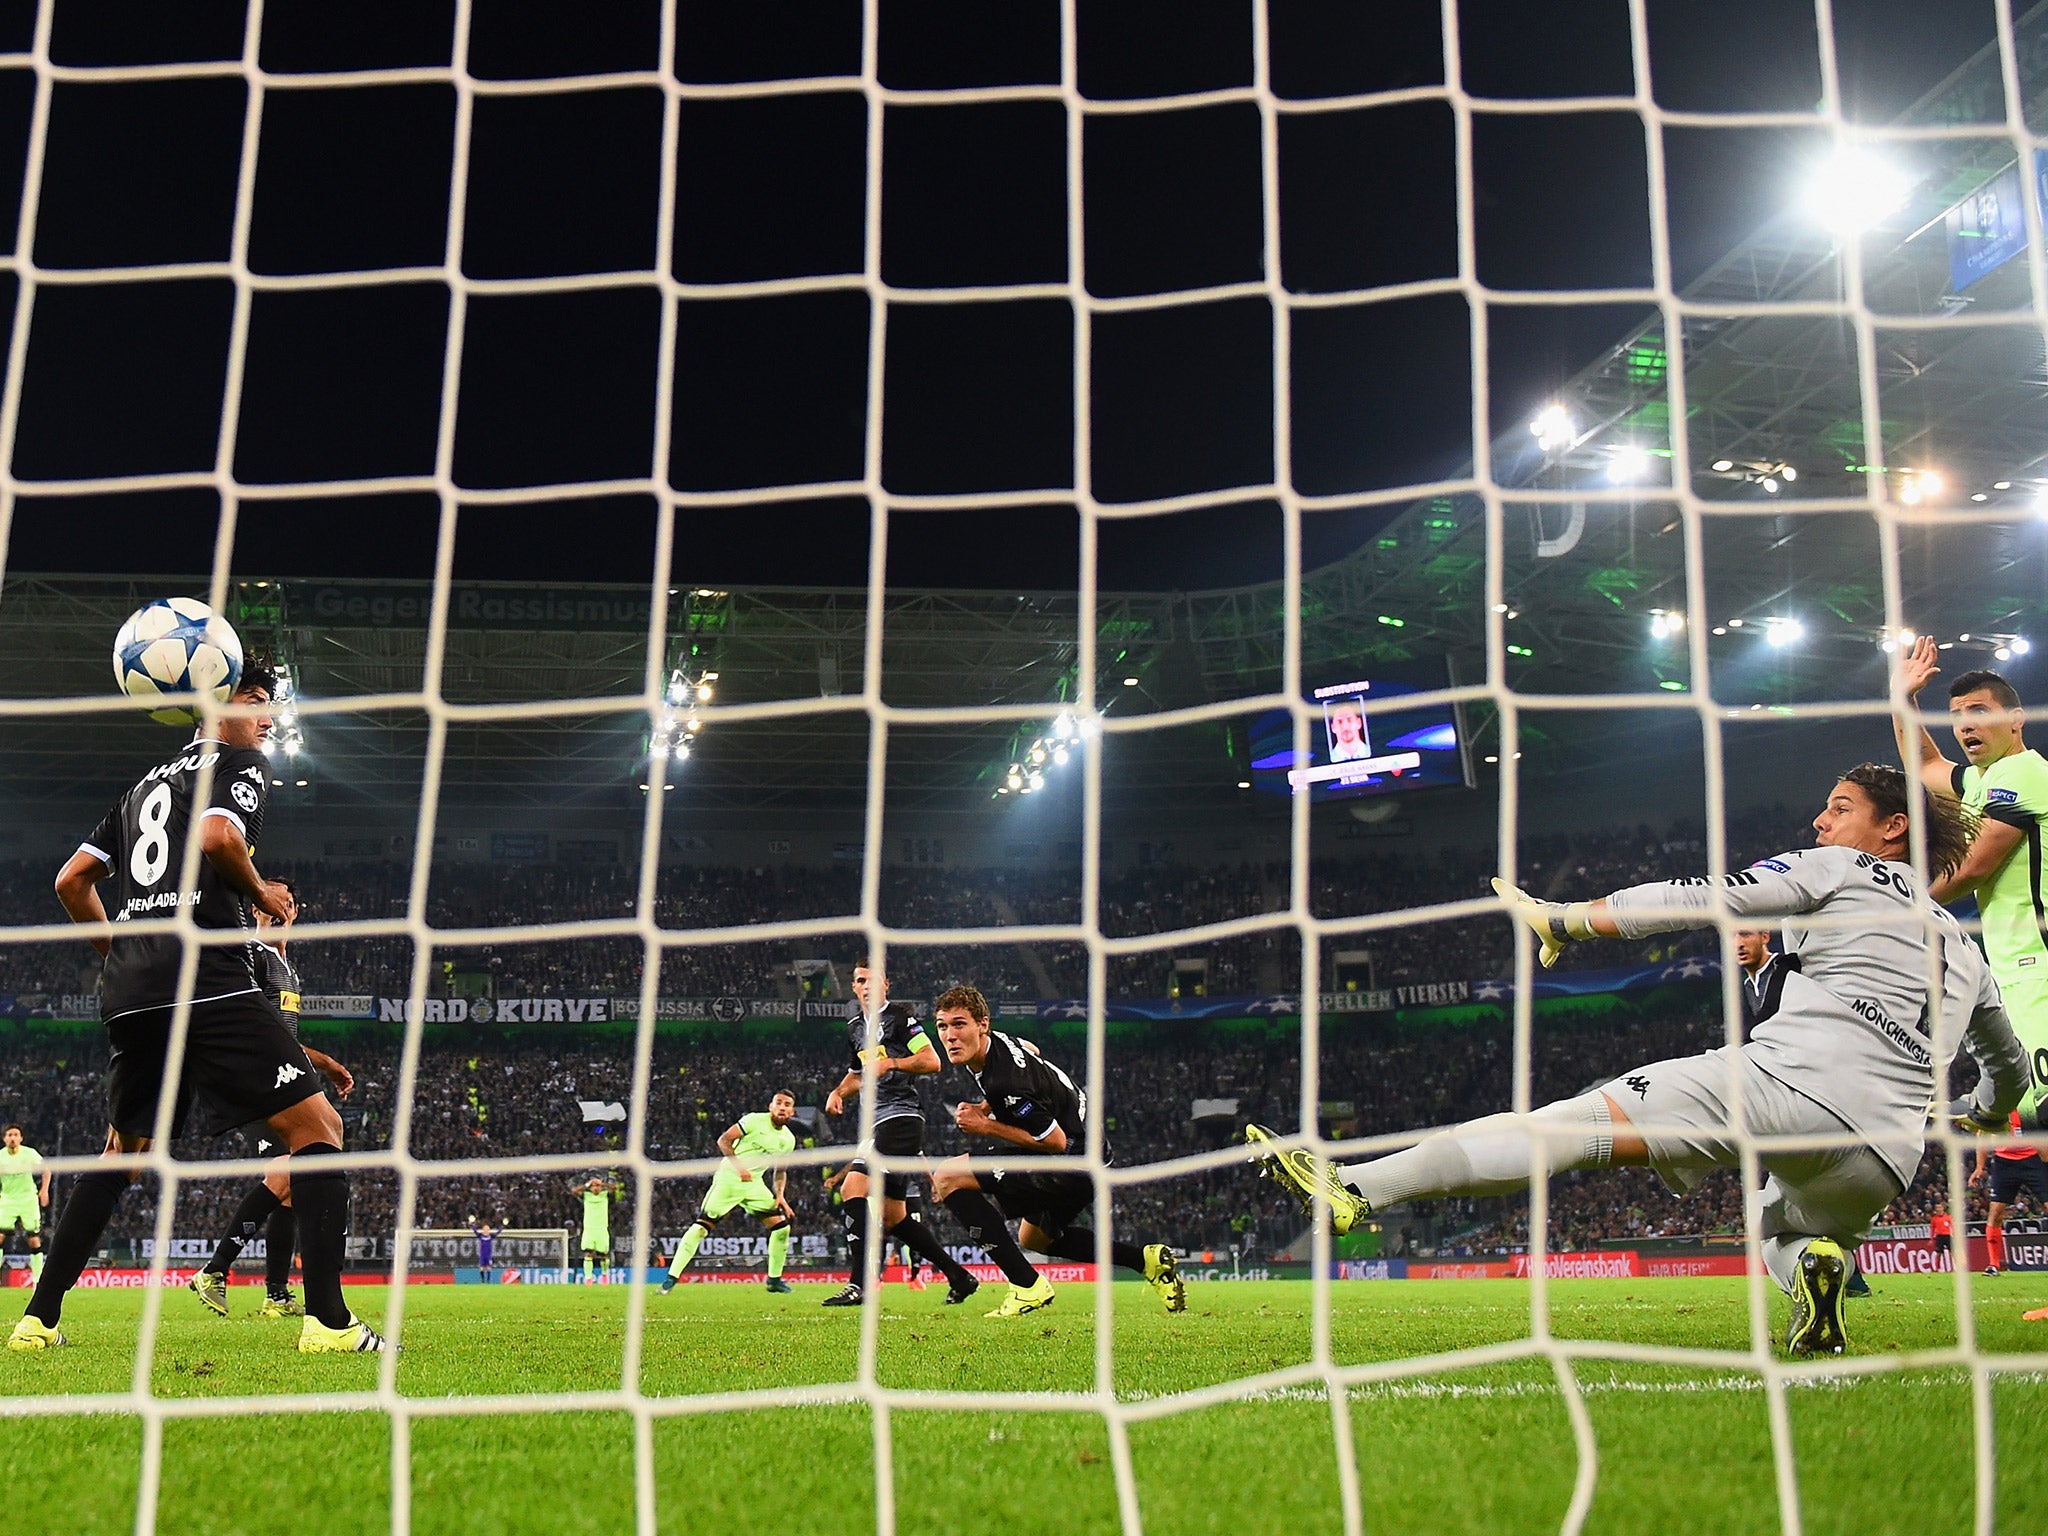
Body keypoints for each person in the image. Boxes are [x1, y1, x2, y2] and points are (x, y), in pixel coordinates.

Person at [1247, 765, 2027, 1357]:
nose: (1820, 821)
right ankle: (1817, 1275)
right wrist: (1981, 1114)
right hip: (1883, 1157)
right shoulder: (1966, 951)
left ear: (1893, 828)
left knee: (1565, 1127)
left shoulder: (1841, 870)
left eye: (1841, 807)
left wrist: (1567, 920)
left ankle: (1357, 1188)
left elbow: (1701, 897)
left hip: (1783, 1087)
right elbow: (2010, 1069)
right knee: (1780, 1230)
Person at [13, 663, 386, 1353]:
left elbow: (71, 882)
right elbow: (219, 838)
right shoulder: (239, 763)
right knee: (319, 1128)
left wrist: (126, 952)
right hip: (206, 974)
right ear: (217, 701)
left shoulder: (141, 789)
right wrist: (261, 893)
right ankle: (331, 1324)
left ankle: (37, 1322)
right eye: (257, 701)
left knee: (122, 1154)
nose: (267, 719)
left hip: (132, 989)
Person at [929, 985, 1186, 1319]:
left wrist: (985, 1124)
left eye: (959, 1024)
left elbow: (1055, 1141)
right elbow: (1031, 1049)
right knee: (1035, 1238)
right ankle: (1145, 1261)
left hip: (1072, 1162)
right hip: (1094, 1155)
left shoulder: (1006, 1082)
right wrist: (985, 1106)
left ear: (983, 1025)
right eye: (942, 1026)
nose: (950, 1035)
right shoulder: (998, 1046)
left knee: (947, 1176)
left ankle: (1026, 1286)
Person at [1895, 647, 2048, 1127]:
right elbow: (1924, 765)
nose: (1965, 726)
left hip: (2039, 963)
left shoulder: (2024, 774)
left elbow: (1973, 868)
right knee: (2032, 1109)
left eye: (1979, 712)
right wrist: (1902, 698)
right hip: (2016, 964)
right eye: (1957, 716)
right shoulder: (1986, 779)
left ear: (2016, 719)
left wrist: (1892, 902)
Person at [188, 880, 354, 1319]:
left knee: (291, 1190)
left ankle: (276, 1294)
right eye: (270, 900)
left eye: (288, 902)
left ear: (295, 912)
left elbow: (285, 1036)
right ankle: (215, 1269)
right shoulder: (253, 957)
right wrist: (323, 1063)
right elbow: (258, 1030)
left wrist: (323, 1064)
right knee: (288, 1171)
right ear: (256, 910)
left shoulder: (288, 969)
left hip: (279, 1072)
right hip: (257, 1075)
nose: (280, 908)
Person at [819, 960, 980, 1308]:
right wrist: (838, 1091)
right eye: (860, 980)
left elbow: (932, 1060)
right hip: (877, 1124)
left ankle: (858, 1284)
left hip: (901, 1119)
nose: (866, 986)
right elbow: (858, 1074)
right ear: (854, 987)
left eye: (873, 980)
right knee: (894, 1217)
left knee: (852, 1187)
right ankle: (959, 1277)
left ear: (886, 985)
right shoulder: (854, 1028)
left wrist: (892, 1063)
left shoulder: (901, 1019)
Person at [661, 1091, 798, 1294]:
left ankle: (774, 1280)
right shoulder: (753, 1120)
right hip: (729, 1178)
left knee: (781, 1228)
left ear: (792, 1111)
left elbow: (780, 1171)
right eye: (778, 1103)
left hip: (754, 1184)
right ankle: (671, 1278)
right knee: (701, 1228)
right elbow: (724, 1140)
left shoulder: (788, 1140)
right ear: (771, 1106)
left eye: (787, 1104)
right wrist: (740, 1168)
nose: (782, 1107)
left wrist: (780, 1196)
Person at [1972, 1109, 2048, 1275]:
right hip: (2004, 1163)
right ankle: (1993, 1265)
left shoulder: (2028, 1107)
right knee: (1996, 1213)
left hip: (2033, 1159)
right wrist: (1979, 1167)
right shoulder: (1997, 1108)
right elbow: (1982, 1136)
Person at [0, 1126, 48, 1282]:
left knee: (33, 1239)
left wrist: (44, 1190)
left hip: (28, 1199)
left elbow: (46, 1169)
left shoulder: (29, 1153)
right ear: (4, 1139)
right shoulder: (0, 1156)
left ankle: (37, 1281)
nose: (12, 1138)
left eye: (16, 1135)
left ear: (21, 1138)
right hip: (7, 1200)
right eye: (9, 1135)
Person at [577, 1174, 619, 1283]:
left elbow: (615, 1188)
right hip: (589, 1229)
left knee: (603, 1255)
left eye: (598, 1186)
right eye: (594, 1186)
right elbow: (574, 1191)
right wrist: (587, 1184)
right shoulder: (586, 1195)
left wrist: (603, 1183)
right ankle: (588, 1278)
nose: (596, 1188)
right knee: (588, 1253)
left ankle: (604, 1276)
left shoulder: (605, 1195)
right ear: (590, 1188)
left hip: (602, 1228)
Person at [471, 1218, 498, 1283]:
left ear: (489, 1230)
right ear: (483, 1230)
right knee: (481, 1268)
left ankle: (488, 1280)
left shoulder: (491, 1236)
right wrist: (472, 1225)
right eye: (485, 1229)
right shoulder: (480, 1236)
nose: (486, 1230)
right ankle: (483, 1280)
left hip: (488, 1255)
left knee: (489, 1268)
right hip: (482, 1255)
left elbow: (498, 1233)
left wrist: (502, 1227)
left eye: (487, 1229)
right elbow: (475, 1231)